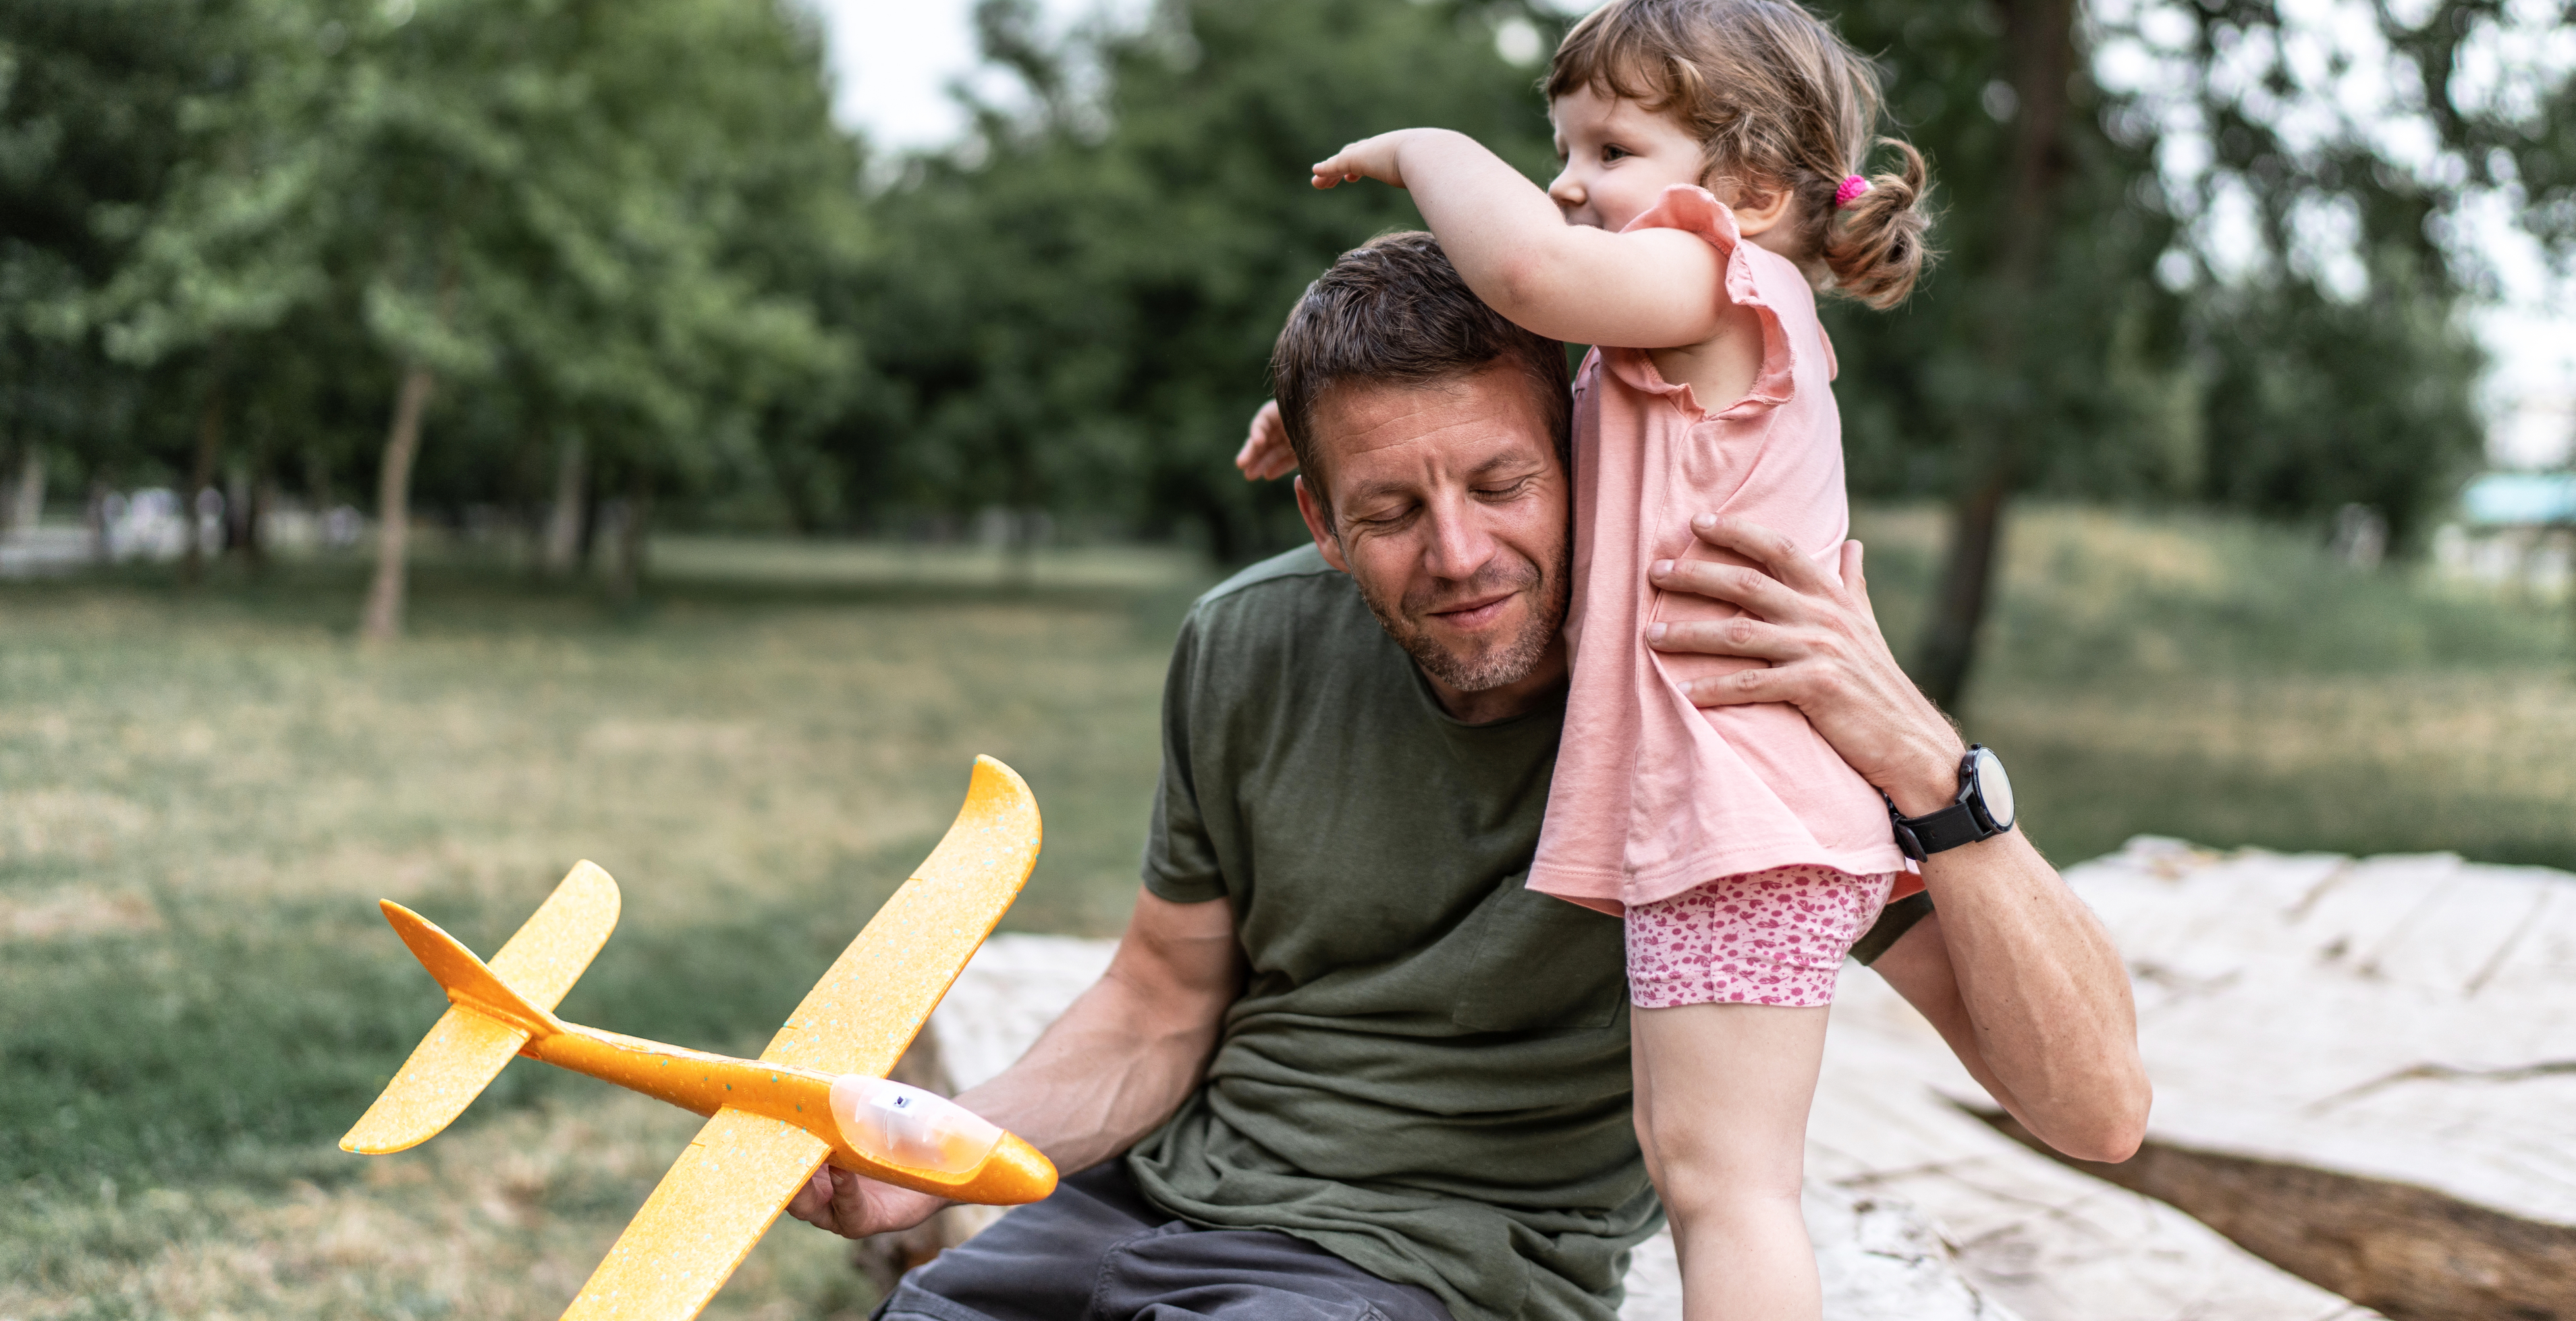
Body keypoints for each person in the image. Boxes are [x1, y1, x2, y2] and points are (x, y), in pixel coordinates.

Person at [790, 233, 2148, 1321]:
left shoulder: (1728, 701)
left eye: (1502, 481)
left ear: (1582, 451)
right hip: (1120, 1215)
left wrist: (1917, 753)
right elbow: (1156, 1001)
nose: (1457, 552)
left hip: (1419, 1276)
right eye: (1389, 508)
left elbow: (2092, 1105)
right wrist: (940, 1152)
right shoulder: (1245, 642)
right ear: (1319, 515)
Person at [1296, 0, 1928, 1318]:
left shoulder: (1713, 279)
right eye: (1559, 147)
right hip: (1718, 807)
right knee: (1699, 1164)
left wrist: (1424, 151)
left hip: (1741, 808)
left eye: (1609, 151)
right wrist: (1297, 420)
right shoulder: (1669, 337)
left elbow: (1527, 274)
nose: (1566, 186)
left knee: (1726, 1184)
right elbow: (1530, 394)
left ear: (1749, 187)